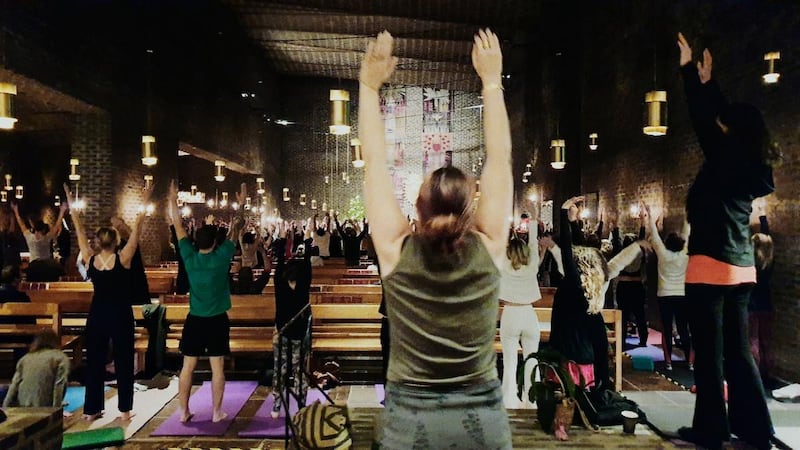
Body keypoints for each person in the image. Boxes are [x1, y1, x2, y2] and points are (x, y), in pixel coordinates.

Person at [360, 29, 513, 448]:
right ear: (471, 207)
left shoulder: (395, 251)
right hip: (482, 424)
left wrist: (369, 86)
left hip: (410, 427)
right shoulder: (490, 243)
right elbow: (500, 158)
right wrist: (491, 82)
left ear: (418, 206)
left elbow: (373, 162)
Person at [676, 32, 778, 450]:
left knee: (710, 355)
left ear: (731, 132)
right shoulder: (751, 165)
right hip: (742, 268)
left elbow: (706, 122)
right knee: (739, 354)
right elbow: (718, 121)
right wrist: (708, 82)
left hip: (709, 267)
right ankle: (755, 429)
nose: (718, 128)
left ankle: (712, 430)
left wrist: (689, 74)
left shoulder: (723, 161)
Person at [64, 182, 151, 422]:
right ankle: (124, 410)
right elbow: (137, 231)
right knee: (123, 361)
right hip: (120, 314)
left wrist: (72, 204)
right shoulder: (123, 259)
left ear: (98, 242)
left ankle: (92, 410)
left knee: (95, 361)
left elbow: (80, 232)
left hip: (98, 314)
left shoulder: (91, 260)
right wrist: (145, 199)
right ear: (115, 241)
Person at [549, 196, 651, 393]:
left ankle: (571, 398)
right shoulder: (604, 274)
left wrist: (564, 214)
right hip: (590, 327)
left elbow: (569, 253)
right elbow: (619, 260)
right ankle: (599, 392)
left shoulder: (573, 281)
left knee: (570, 373)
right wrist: (638, 245)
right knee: (599, 357)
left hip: (569, 335)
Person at [167, 180, 243, 424]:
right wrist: (239, 206)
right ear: (214, 242)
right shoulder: (222, 257)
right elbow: (234, 231)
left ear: (196, 242)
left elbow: (178, 226)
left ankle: (183, 411)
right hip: (217, 319)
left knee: (187, 367)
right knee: (217, 367)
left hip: (195, 318)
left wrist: (171, 200)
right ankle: (216, 412)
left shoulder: (188, 256)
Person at [641, 202, 693, 371]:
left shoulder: (662, 255)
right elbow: (687, 231)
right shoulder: (685, 255)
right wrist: (687, 213)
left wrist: (649, 215)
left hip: (664, 295)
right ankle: (690, 362)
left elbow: (654, 235)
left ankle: (669, 362)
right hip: (682, 295)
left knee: (667, 328)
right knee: (684, 328)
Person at [269, 220, 312, 418]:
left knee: (280, 369)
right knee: (300, 370)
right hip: (300, 332)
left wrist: (285, 238)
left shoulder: (280, 284)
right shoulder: (303, 286)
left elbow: (278, 262)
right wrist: (305, 239)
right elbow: (307, 264)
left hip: (281, 331)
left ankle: (277, 405)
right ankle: (301, 404)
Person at [499, 227, 543, 409]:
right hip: (528, 313)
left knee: (510, 361)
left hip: (510, 313)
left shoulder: (503, 265)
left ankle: (509, 400)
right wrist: (533, 221)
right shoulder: (532, 265)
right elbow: (533, 244)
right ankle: (532, 401)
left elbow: (499, 244)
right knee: (532, 360)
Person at [2, 329, 70, 408]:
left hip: (23, 405)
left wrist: (5, 407)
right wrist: (56, 410)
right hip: (45, 406)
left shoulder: (25, 358)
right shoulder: (60, 358)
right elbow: (59, 385)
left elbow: (14, 385)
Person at [749, 202, 774, 387]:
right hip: (767, 303)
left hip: (751, 303)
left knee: (753, 340)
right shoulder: (769, 260)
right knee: (766, 340)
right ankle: (767, 373)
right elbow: (767, 239)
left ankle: (754, 373)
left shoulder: (751, 261)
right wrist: (762, 215)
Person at [11, 202, 67, 281]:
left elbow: (21, 224)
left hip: (34, 266)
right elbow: (57, 226)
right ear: (44, 229)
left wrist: (15, 211)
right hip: (47, 266)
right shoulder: (46, 238)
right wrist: (62, 211)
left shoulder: (29, 237)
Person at [110, 216, 150, 305]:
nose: (117, 229)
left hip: (136, 280)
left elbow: (134, 240)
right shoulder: (110, 249)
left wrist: (124, 226)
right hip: (122, 286)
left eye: (119, 227)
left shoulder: (128, 244)